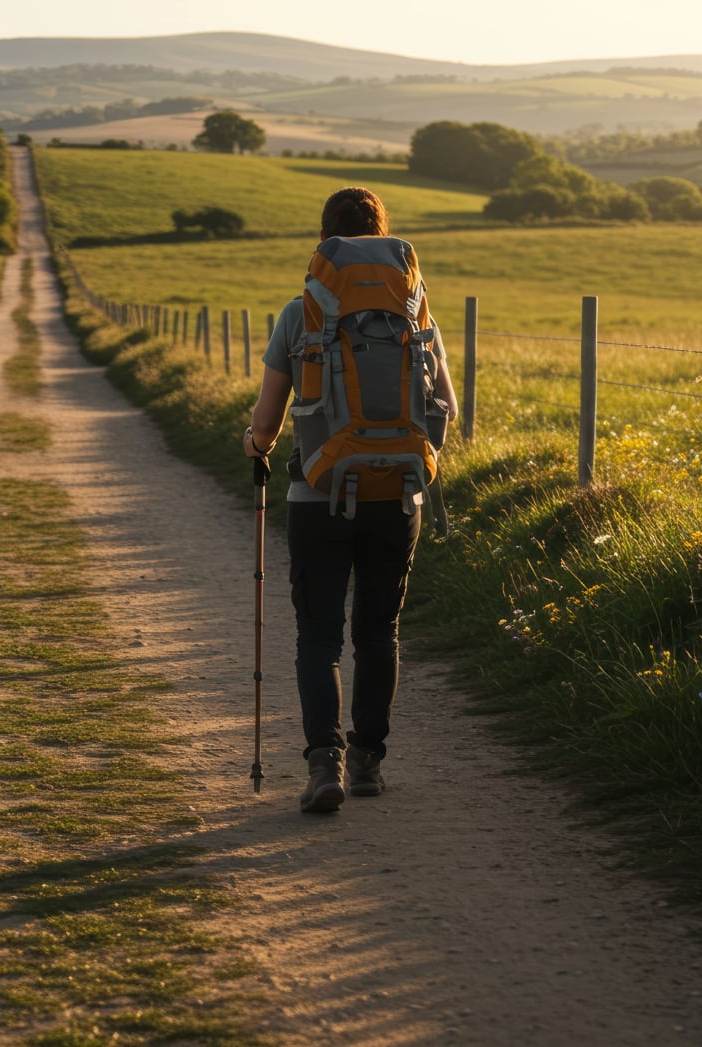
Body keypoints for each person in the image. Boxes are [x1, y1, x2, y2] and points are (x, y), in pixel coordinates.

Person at [241, 186, 456, 814]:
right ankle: (367, 762)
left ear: (326, 242)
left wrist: (254, 446)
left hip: (316, 494)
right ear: (384, 237)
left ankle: (323, 765)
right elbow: (448, 407)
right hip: (399, 495)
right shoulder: (418, 319)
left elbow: (267, 421)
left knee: (318, 635)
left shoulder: (298, 315)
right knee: (379, 629)